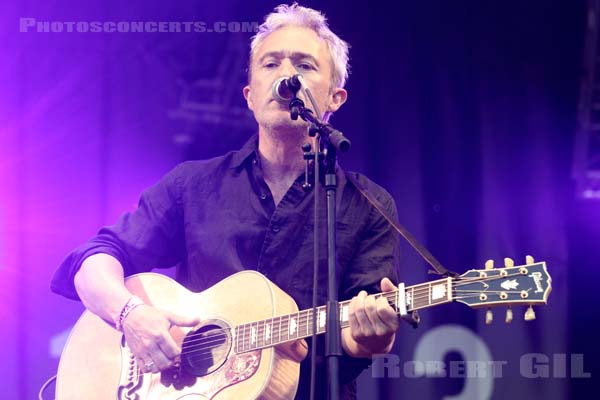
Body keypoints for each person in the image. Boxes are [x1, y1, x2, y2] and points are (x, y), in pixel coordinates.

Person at [51, 3, 401, 399]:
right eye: (271, 64)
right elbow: (94, 260)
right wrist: (131, 315)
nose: (286, 76)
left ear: (335, 98)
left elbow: (361, 342)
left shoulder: (368, 204)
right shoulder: (193, 184)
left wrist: (376, 333)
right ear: (250, 96)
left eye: (304, 65)